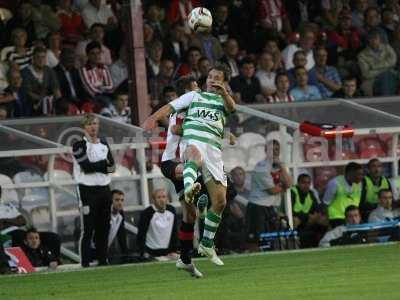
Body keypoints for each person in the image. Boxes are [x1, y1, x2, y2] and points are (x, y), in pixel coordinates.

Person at [143, 63, 236, 266]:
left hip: (211, 154)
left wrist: (224, 131)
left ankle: (193, 251)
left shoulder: (220, 101)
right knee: (193, 156)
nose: (211, 80)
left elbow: (231, 109)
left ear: (224, 82)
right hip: (175, 159)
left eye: (216, 77)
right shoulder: (192, 99)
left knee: (212, 205)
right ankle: (192, 191)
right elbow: (175, 125)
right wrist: (152, 118)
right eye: (209, 76)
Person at [72, 113, 116, 267]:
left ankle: (103, 259)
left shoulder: (104, 144)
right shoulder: (78, 145)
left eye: (95, 124)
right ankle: (85, 262)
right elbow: (86, 167)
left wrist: (101, 165)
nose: (93, 127)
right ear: (84, 127)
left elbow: (112, 167)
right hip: (87, 190)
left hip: (104, 189)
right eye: (90, 124)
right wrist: (103, 164)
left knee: (104, 226)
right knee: (88, 228)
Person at [247, 140, 292, 247]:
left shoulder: (281, 165)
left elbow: (289, 184)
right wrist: (283, 185)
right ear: (266, 151)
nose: (275, 152)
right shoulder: (261, 167)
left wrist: (282, 168)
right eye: (272, 150)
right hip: (258, 206)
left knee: (272, 238)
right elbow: (272, 190)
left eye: (277, 149)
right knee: (258, 240)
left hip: (271, 207)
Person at [136, 189, 178, 259]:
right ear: (153, 200)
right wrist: (143, 252)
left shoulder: (171, 210)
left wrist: (174, 250)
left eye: (164, 197)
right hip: (151, 252)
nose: (162, 200)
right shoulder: (147, 213)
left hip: (168, 251)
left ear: (167, 198)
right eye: (159, 197)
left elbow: (174, 232)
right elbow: (141, 234)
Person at [21, 46, 61, 116]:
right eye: (38, 57)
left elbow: (56, 88)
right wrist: (43, 101)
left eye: (43, 57)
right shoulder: (25, 72)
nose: (41, 60)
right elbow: (28, 92)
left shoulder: (49, 70)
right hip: (31, 104)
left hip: (48, 102)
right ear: (33, 59)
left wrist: (59, 101)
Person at [322, 162, 364, 227]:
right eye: (358, 174)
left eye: (362, 174)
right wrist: (328, 223)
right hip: (337, 218)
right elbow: (325, 204)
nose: (361, 177)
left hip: (353, 217)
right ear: (350, 173)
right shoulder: (335, 183)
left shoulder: (359, 184)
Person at [107, 190, 128, 261]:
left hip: (105, 249)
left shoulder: (121, 214)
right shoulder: (104, 214)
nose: (120, 203)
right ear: (111, 201)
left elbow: (121, 234)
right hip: (93, 249)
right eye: (117, 200)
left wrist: (125, 254)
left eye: (122, 200)